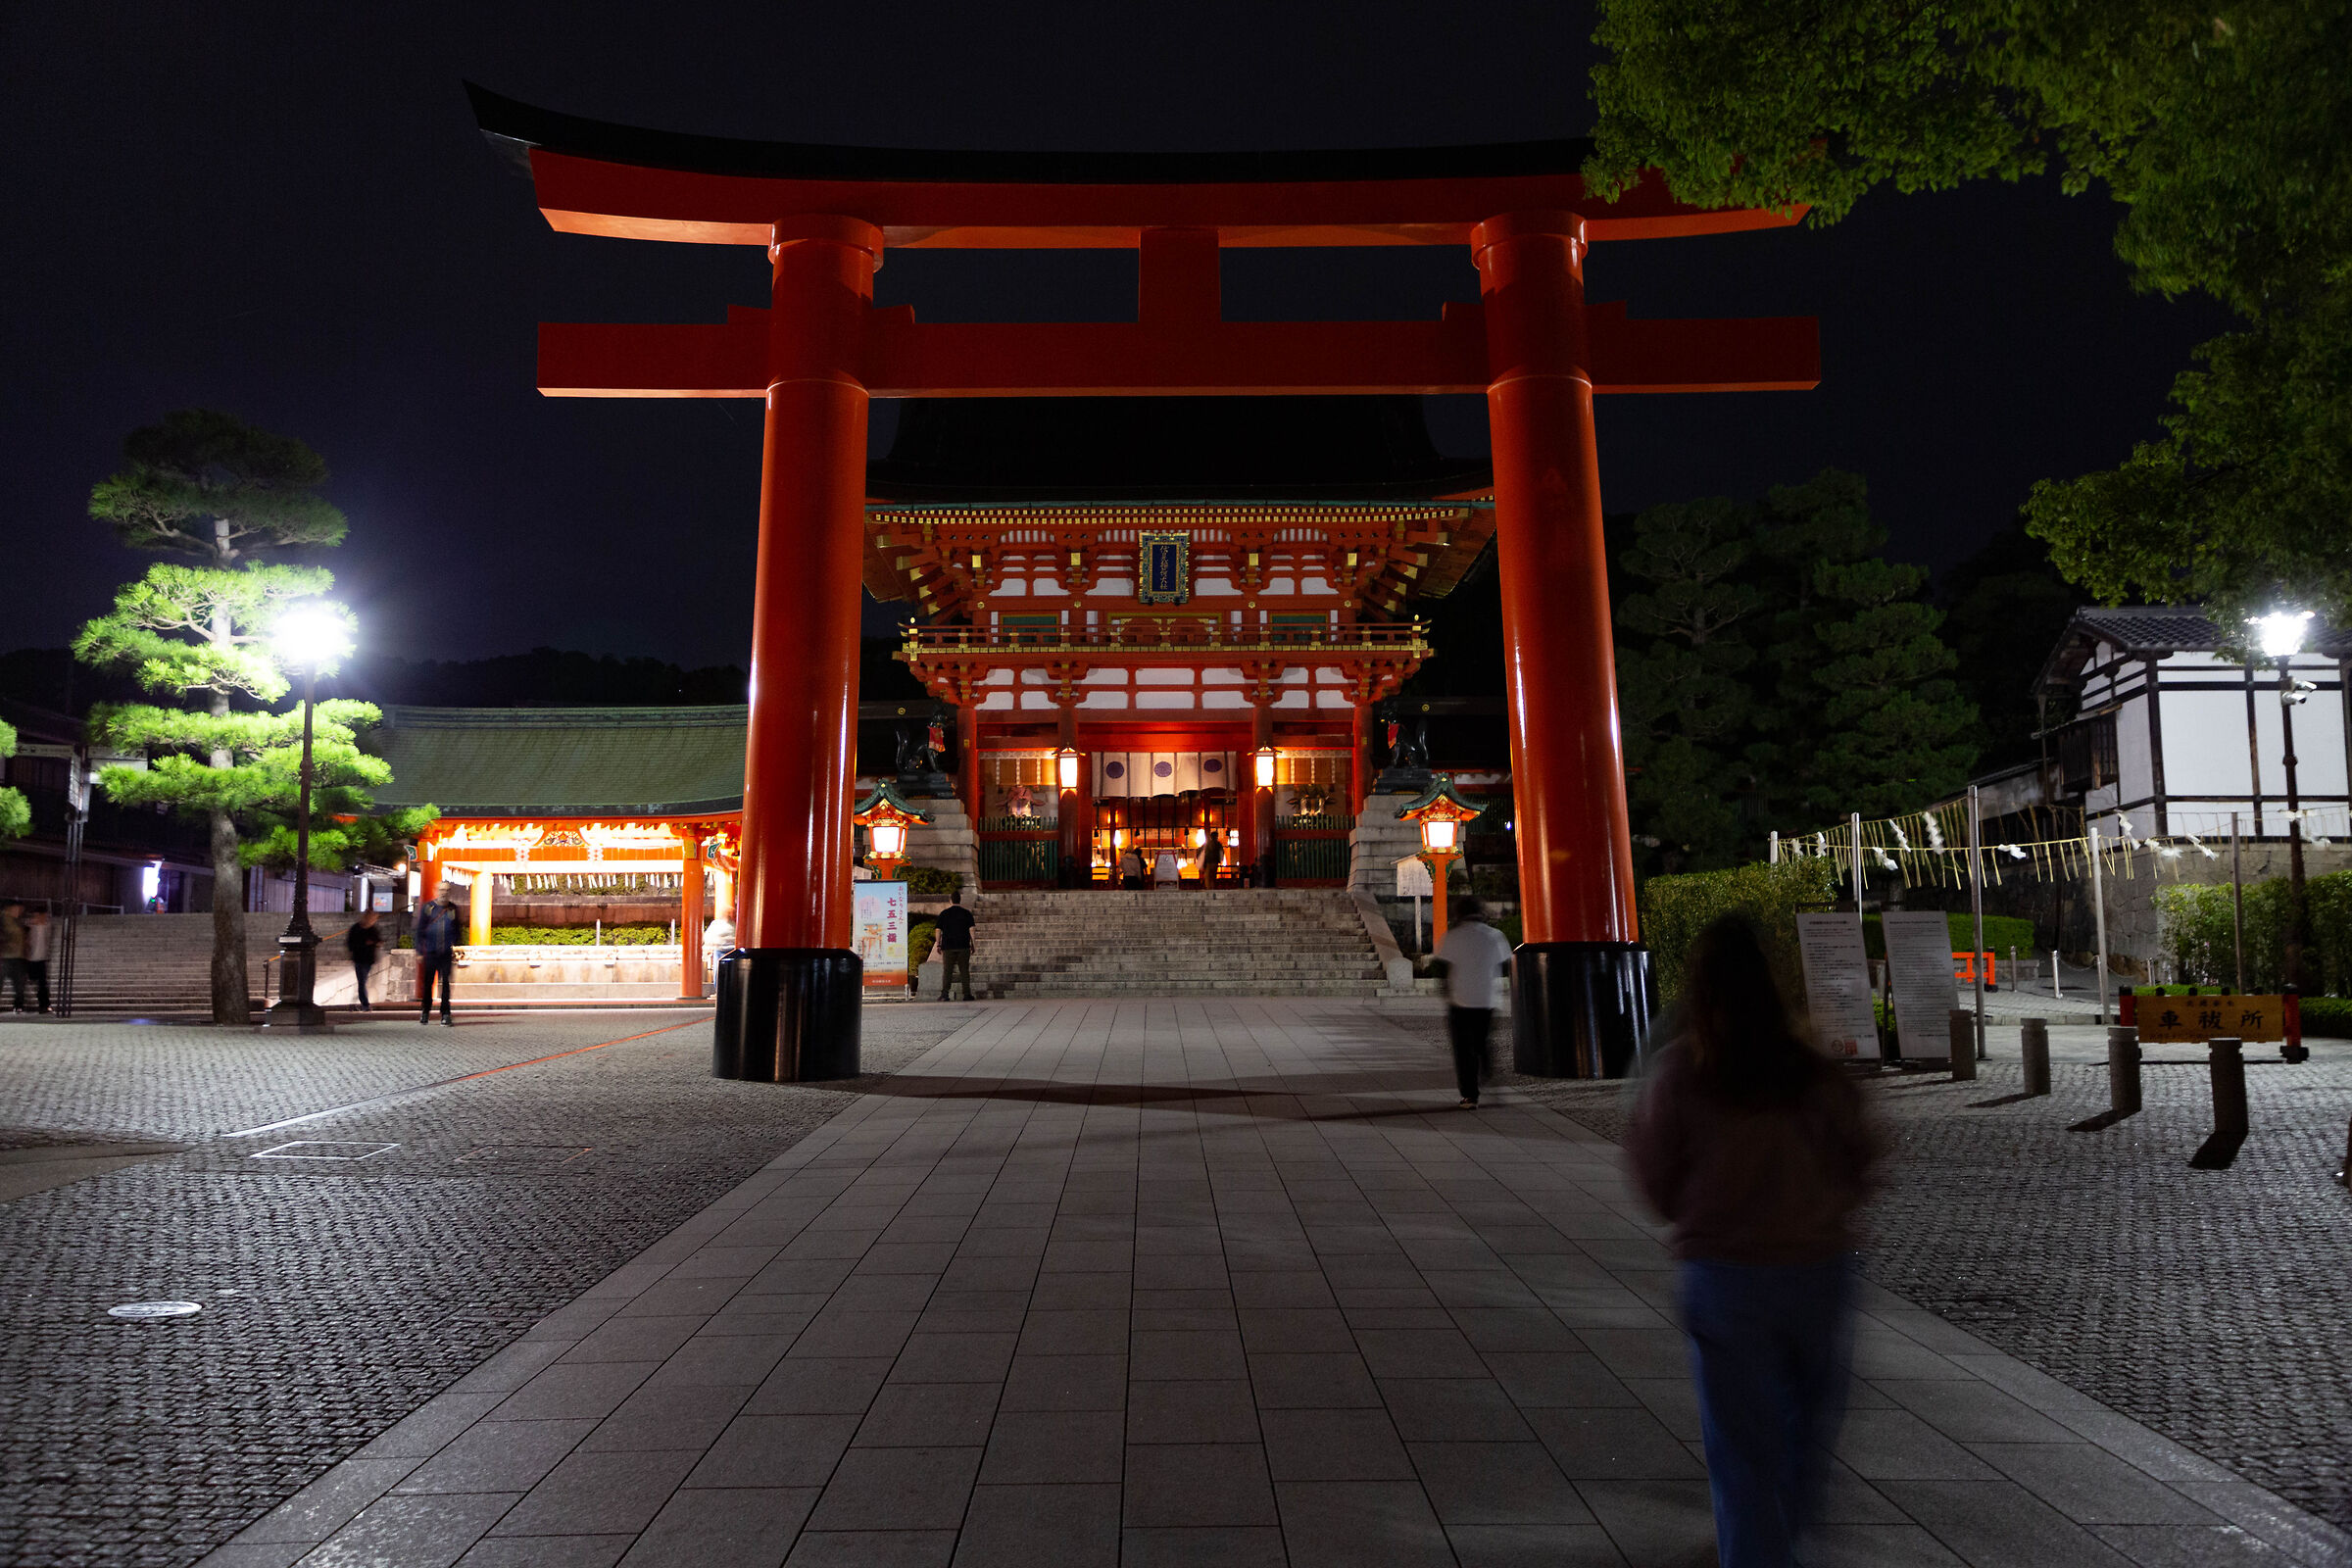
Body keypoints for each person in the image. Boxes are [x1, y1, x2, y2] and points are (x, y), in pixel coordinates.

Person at [1625, 915, 1884, 1568]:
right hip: (1819, 1270)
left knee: (1743, 1450)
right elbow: (1864, 1158)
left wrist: (1699, 1208)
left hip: (1726, 1275)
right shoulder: (1814, 1071)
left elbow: (1654, 1176)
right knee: (1805, 1431)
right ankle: (1781, 1541)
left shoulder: (1684, 1073)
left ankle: (1756, 1552)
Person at [1429, 896, 1512, 1107]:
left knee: (1463, 1049)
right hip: (1487, 999)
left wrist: (1445, 992)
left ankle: (1470, 1094)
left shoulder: (1453, 936)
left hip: (1460, 1000)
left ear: (1459, 914)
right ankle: (1487, 1069)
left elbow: (1442, 967)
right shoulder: (1495, 936)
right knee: (1483, 1041)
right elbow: (1505, 964)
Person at [414, 894, 459, 1027]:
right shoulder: (428, 907)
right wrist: (420, 951)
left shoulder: (453, 909)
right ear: (437, 891)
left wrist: (454, 943)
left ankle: (445, 1013)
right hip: (431, 952)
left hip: (445, 953)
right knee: (428, 983)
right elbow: (420, 930)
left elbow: (456, 928)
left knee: (446, 983)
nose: (445, 892)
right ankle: (425, 1010)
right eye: (442, 889)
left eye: (447, 890)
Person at [932, 889, 976, 1002]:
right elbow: (972, 930)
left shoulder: (944, 913)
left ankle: (945, 994)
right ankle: (967, 994)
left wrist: (938, 944)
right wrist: (973, 944)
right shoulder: (967, 913)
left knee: (947, 971)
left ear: (950, 900)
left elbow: (938, 930)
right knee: (964, 971)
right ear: (960, 900)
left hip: (948, 947)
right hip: (963, 946)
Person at [344, 909, 383, 1011]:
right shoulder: (356, 928)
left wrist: (375, 943)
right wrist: (365, 944)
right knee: (362, 981)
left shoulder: (373, 930)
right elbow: (350, 943)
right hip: (359, 958)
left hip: (368, 959)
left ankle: (364, 1003)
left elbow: (378, 941)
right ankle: (365, 1003)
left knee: (362, 980)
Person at [24, 907, 54, 1013]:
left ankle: (44, 1005)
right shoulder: (29, 927)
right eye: (42, 916)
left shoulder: (47, 927)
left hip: (41, 959)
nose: (43, 918)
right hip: (31, 959)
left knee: (42, 983)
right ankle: (22, 1003)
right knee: (32, 981)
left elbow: (49, 940)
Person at [0, 902, 28, 1013]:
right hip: (5, 957)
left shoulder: (17, 921)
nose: (19, 912)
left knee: (19, 984)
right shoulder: (3, 919)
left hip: (18, 957)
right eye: (17, 909)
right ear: (10, 908)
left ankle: (18, 1006)